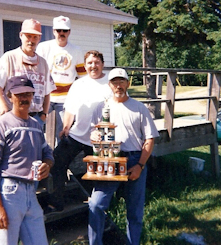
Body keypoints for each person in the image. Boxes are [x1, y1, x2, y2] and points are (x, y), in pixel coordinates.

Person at [88, 68, 159, 245]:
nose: (118, 85)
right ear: (109, 85)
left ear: (128, 83)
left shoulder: (139, 108)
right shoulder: (102, 107)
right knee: (96, 204)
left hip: (135, 160)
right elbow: (93, 131)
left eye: (121, 81)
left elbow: (150, 139)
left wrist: (140, 165)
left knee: (134, 211)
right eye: (114, 82)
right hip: (110, 160)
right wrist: (93, 135)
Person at [0, 75, 54, 245]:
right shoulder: (0, 125)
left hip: (31, 191)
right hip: (9, 193)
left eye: (28, 94)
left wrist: (47, 165)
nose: (24, 98)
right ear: (9, 96)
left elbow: (48, 153)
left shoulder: (36, 125)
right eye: (19, 94)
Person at [45, 50, 112, 213]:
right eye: (89, 63)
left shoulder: (110, 83)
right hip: (77, 134)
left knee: (100, 174)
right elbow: (70, 109)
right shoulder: (79, 84)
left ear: (102, 64)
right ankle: (56, 203)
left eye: (96, 62)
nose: (93, 66)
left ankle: (100, 206)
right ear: (85, 65)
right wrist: (66, 127)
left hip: (100, 138)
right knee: (57, 162)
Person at [0, 18, 56, 124]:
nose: (31, 40)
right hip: (13, 116)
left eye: (35, 37)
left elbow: (47, 93)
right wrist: (2, 107)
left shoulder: (43, 63)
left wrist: (44, 114)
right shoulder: (9, 58)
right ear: (21, 35)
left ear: (39, 38)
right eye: (28, 36)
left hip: (36, 118)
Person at [36, 15, 86, 142]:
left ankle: (59, 160)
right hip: (45, 96)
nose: (61, 33)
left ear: (69, 32)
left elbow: (83, 77)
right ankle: (39, 156)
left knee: (63, 133)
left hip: (65, 99)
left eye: (65, 30)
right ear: (54, 31)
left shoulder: (77, 51)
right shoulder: (43, 47)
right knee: (37, 128)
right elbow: (37, 72)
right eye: (58, 30)